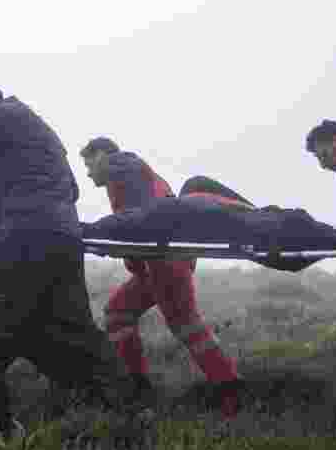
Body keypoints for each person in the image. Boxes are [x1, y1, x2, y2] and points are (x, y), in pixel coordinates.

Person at [0, 86, 136, 437]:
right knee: (74, 328)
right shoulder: (41, 133)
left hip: (27, 231)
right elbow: (72, 189)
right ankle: (126, 403)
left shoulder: (6, 115)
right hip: (62, 235)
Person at [80, 137, 246, 420]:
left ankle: (230, 389)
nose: (87, 172)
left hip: (165, 263)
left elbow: (142, 220)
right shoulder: (131, 175)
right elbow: (137, 224)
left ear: (102, 156)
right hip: (155, 266)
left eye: (88, 163)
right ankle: (138, 385)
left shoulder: (121, 168)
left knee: (186, 326)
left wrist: (102, 235)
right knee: (119, 313)